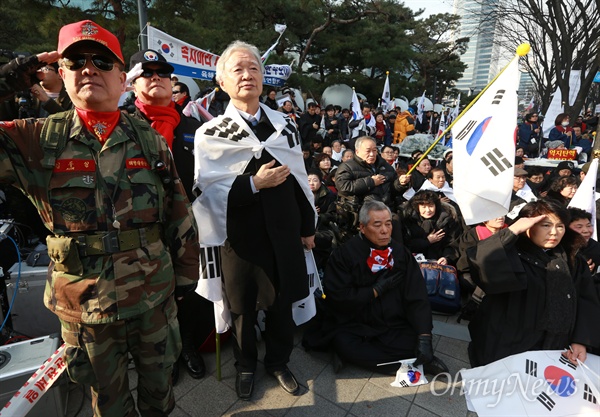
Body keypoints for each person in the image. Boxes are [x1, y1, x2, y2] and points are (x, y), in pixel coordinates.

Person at [0, 20, 200, 416]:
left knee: (160, 396)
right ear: (60, 74)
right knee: (107, 405)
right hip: (85, 305)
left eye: (102, 62)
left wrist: (184, 281)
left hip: (152, 296)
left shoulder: (148, 138)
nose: (89, 69)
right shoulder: (35, 140)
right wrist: (13, 76)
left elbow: (178, 213)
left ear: (123, 78)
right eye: (75, 61)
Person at [193, 40, 316, 400]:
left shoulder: (284, 126)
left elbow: (299, 180)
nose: (247, 75)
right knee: (243, 308)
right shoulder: (211, 134)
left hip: (284, 234)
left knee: (282, 304)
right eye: (238, 69)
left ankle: (278, 361)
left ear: (264, 78)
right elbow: (207, 194)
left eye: (254, 68)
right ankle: (245, 365)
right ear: (223, 82)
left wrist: (307, 228)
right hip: (240, 240)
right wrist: (253, 184)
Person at [126, 49, 207, 382]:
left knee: (189, 289)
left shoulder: (193, 125)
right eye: (148, 73)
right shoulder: (122, 124)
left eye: (163, 73)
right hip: (141, 231)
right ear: (131, 82)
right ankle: (164, 355)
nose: (157, 78)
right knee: (153, 294)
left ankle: (187, 344)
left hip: (188, 226)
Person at [303, 200, 448, 375]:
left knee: (416, 340)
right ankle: (413, 363)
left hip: (393, 322)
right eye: (377, 225)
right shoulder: (344, 255)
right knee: (344, 342)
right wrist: (374, 291)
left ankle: (416, 358)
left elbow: (417, 295)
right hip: (356, 322)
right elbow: (338, 297)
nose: (384, 230)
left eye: (388, 224)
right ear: (362, 228)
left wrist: (425, 336)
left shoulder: (401, 254)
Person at [467, 199, 600, 366]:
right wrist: (511, 231)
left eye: (560, 226)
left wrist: (580, 340)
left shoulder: (574, 260)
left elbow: (586, 300)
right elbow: (481, 263)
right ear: (527, 226)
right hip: (505, 346)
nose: (554, 232)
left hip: (555, 348)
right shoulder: (510, 254)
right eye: (545, 225)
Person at [400, 190, 462, 265]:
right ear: (417, 207)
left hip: (439, 263)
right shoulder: (408, 220)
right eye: (423, 207)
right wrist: (427, 241)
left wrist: (446, 258)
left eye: (431, 206)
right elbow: (405, 244)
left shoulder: (447, 219)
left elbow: (453, 243)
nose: (428, 210)